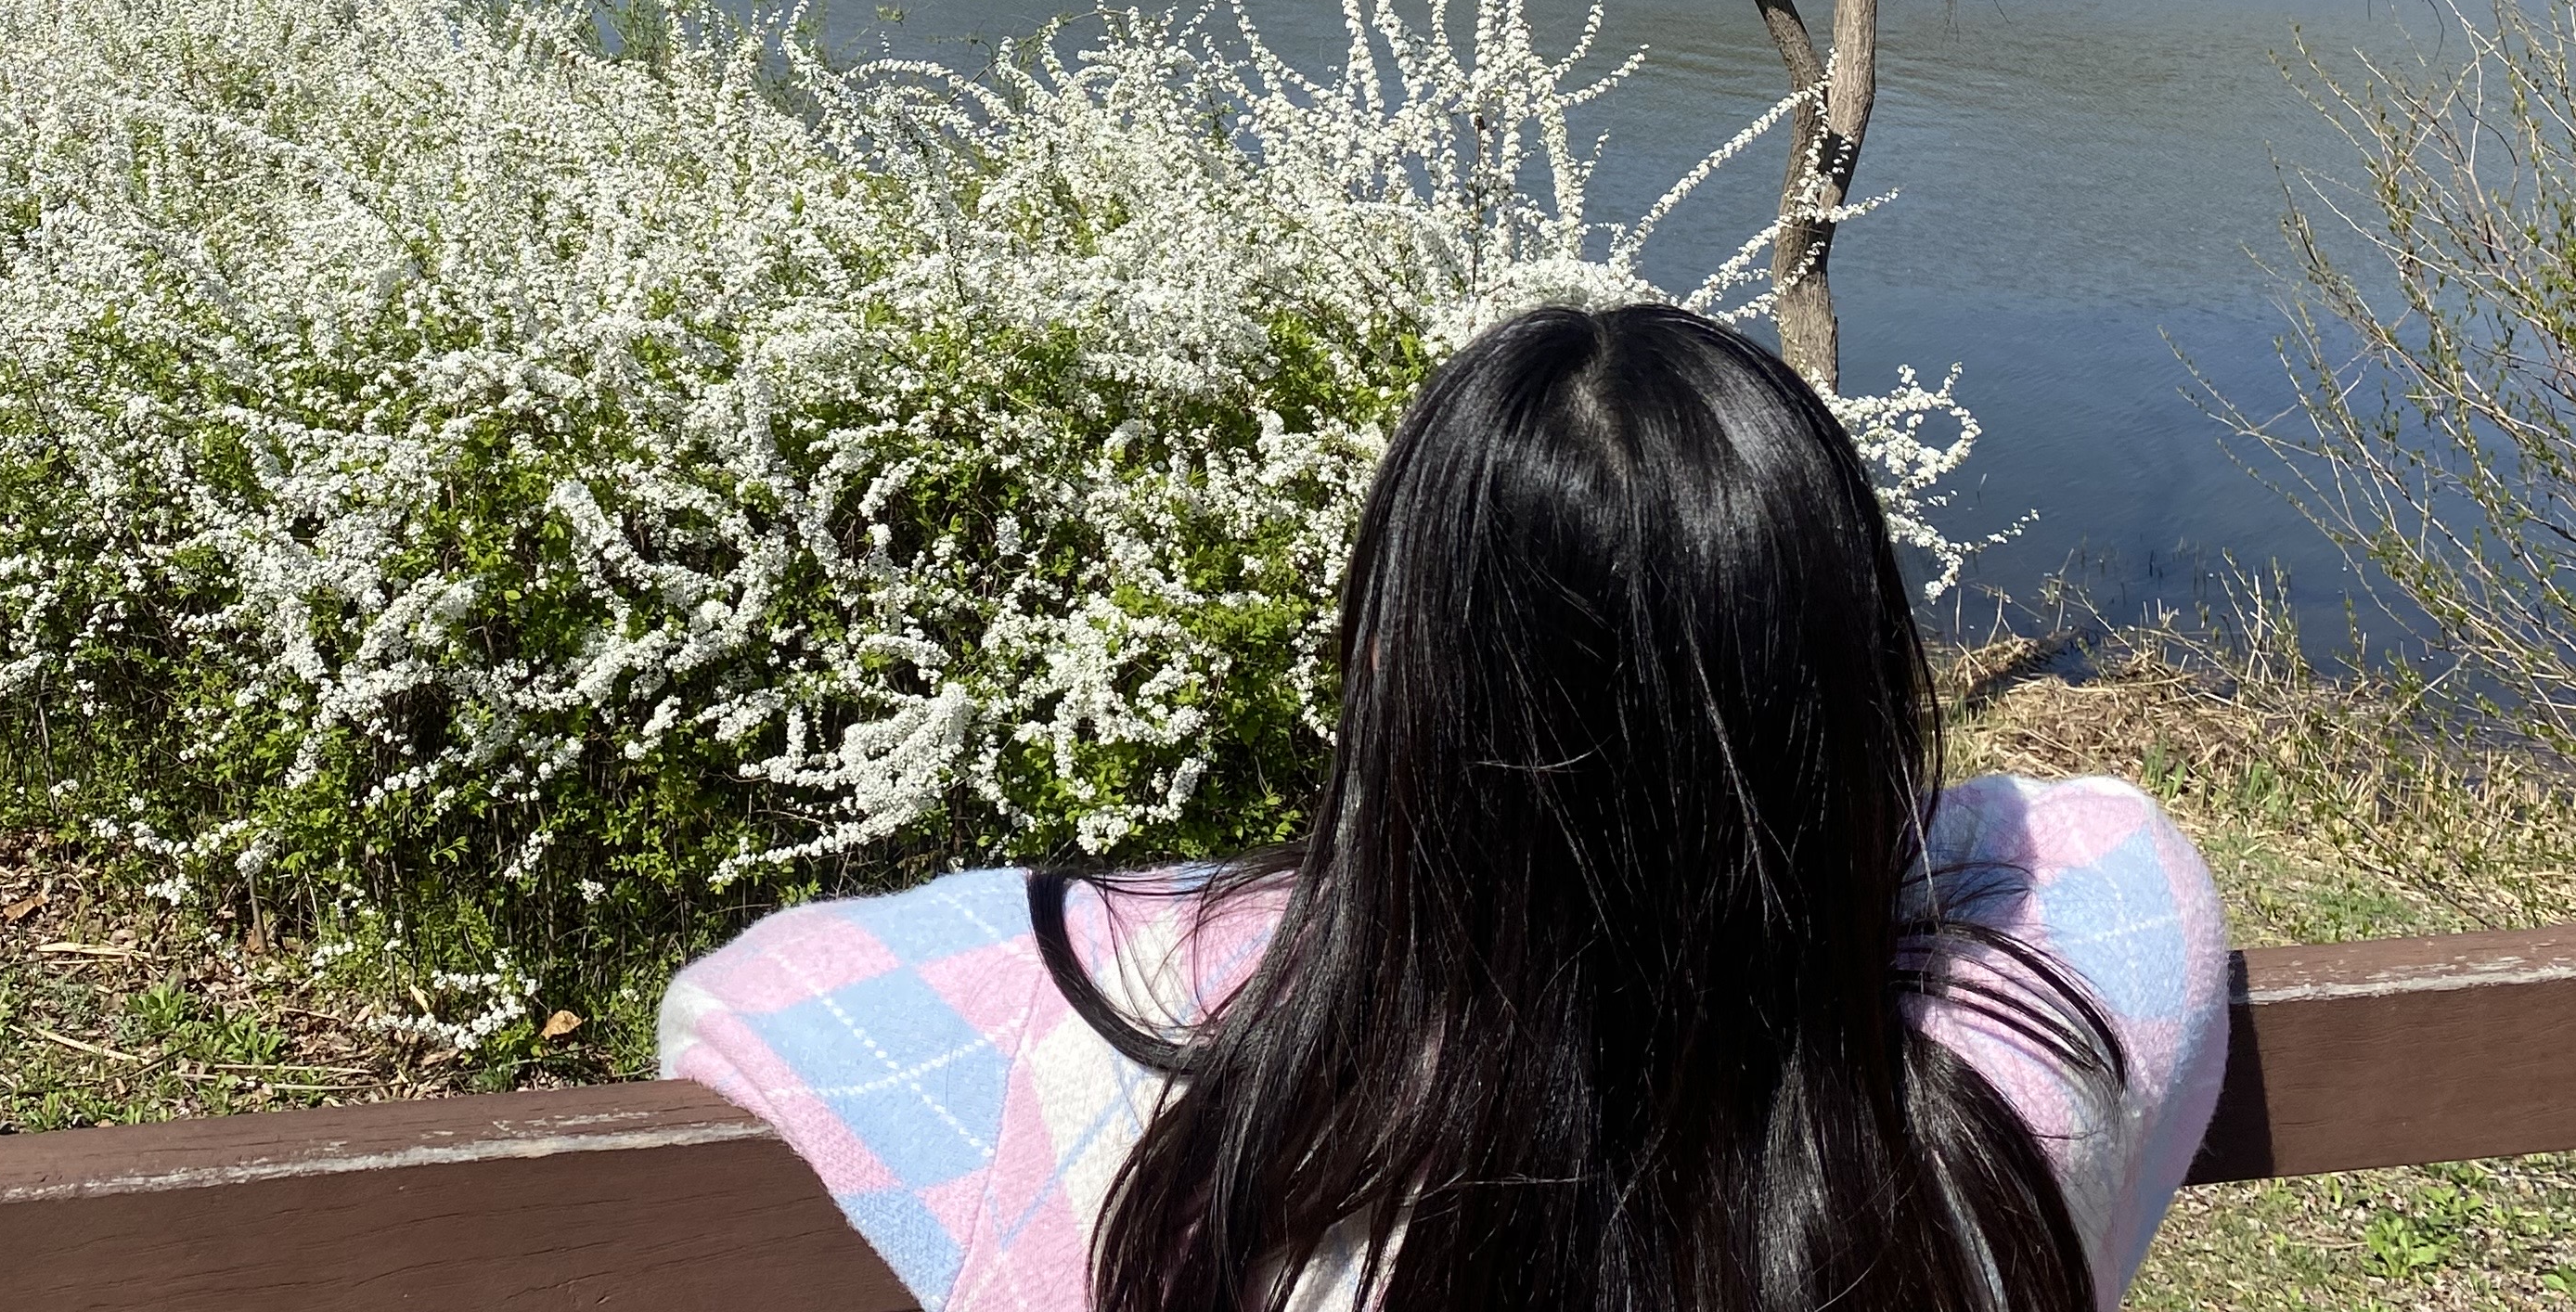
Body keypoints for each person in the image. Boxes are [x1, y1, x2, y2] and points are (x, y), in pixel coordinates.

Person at [662, 305, 2230, 1312]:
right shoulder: (2000, 1106)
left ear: (1396, 692)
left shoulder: (1203, 1153)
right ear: (1855, 677)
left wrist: (1316, 905)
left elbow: (749, 1000)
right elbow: (2087, 833)